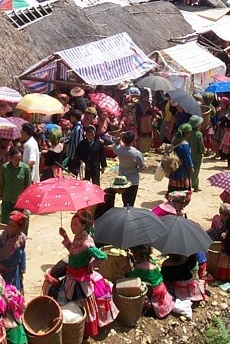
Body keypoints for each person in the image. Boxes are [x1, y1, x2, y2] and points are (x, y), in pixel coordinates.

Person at [58, 210, 110, 338]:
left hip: (81, 281)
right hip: (71, 276)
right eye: (71, 223)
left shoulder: (87, 243)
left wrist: (90, 265)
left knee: (82, 306)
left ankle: (83, 332)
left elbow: (103, 256)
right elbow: (72, 250)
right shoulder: (78, 237)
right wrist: (65, 237)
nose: (72, 226)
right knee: (71, 305)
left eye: (75, 224)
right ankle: (73, 330)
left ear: (84, 226)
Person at [126, 244, 174, 319]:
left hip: (153, 293)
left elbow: (129, 277)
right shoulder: (152, 261)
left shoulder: (140, 268)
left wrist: (126, 269)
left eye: (133, 252)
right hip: (162, 289)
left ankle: (149, 308)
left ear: (137, 254)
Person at [0, 210, 27, 292]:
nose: (10, 228)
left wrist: (22, 270)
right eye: (9, 225)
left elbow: (22, 254)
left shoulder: (21, 238)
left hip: (14, 275)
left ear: (20, 227)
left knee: (13, 297)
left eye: (14, 226)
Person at [0, 148, 31, 225]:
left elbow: (28, 186)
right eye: (15, 159)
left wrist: (26, 201)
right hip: (7, 200)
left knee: (20, 222)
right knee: (6, 222)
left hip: (19, 202)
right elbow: (2, 183)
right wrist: (1, 195)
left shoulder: (25, 169)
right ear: (10, 158)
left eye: (19, 159)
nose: (17, 162)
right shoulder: (5, 168)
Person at [113, 131, 146, 207]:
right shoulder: (136, 153)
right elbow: (142, 166)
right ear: (132, 140)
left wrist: (118, 141)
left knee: (124, 201)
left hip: (122, 179)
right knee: (131, 202)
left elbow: (115, 146)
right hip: (133, 179)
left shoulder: (119, 150)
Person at [167, 123, 194, 193]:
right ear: (187, 133)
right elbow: (187, 156)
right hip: (182, 167)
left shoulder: (175, 141)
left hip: (174, 165)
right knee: (182, 185)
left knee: (174, 181)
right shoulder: (185, 144)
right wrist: (191, 166)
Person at [186, 116, 204, 192]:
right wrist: (203, 151)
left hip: (187, 155)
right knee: (195, 172)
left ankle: (187, 185)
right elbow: (201, 147)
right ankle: (195, 186)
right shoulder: (198, 135)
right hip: (197, 156)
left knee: (188, 171)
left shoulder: (186, 133)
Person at [64, 109, 83, 174]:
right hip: (72, 155)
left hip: (75, 156)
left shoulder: (78, 129)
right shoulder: (76, 128)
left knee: (73, 172)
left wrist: (77, 156)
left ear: (74, 117)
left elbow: (78, 143)